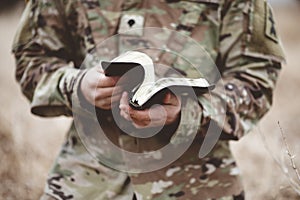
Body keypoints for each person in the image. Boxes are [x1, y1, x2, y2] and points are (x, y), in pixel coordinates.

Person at [12, 0, 285, 199]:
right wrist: (76, 84)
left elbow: (256, 76)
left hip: (199, 184)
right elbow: (32, 58)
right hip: (83, 183)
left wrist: (190, 111)